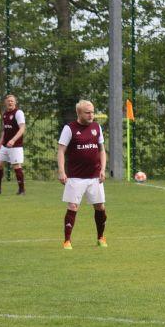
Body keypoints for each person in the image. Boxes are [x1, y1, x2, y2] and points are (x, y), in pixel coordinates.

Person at [57, 100, 108, 250]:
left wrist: (103, 169)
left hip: (94, 176)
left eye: (92, 112)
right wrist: (61, 171)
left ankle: (100, 237)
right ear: (79, 113)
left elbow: (102, 150)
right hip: (75, 177)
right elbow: (61, 151)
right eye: (88, 112)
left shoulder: (97, 127)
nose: (91, 115)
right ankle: (67, 241)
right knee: (73, 206)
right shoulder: (69, 128)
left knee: (100, 206)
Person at [0, 94, 26, 195]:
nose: (10, 102)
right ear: (5, 103)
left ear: (15, 102)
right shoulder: (5, 114)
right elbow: (5, 131)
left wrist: (13, 140)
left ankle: (22, 190)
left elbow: (22, 128)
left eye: (12, 101)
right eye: (8, 101)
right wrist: (0, 144)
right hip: (5, 146)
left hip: (15, 146)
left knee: (16, 166)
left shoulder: (18, 113)